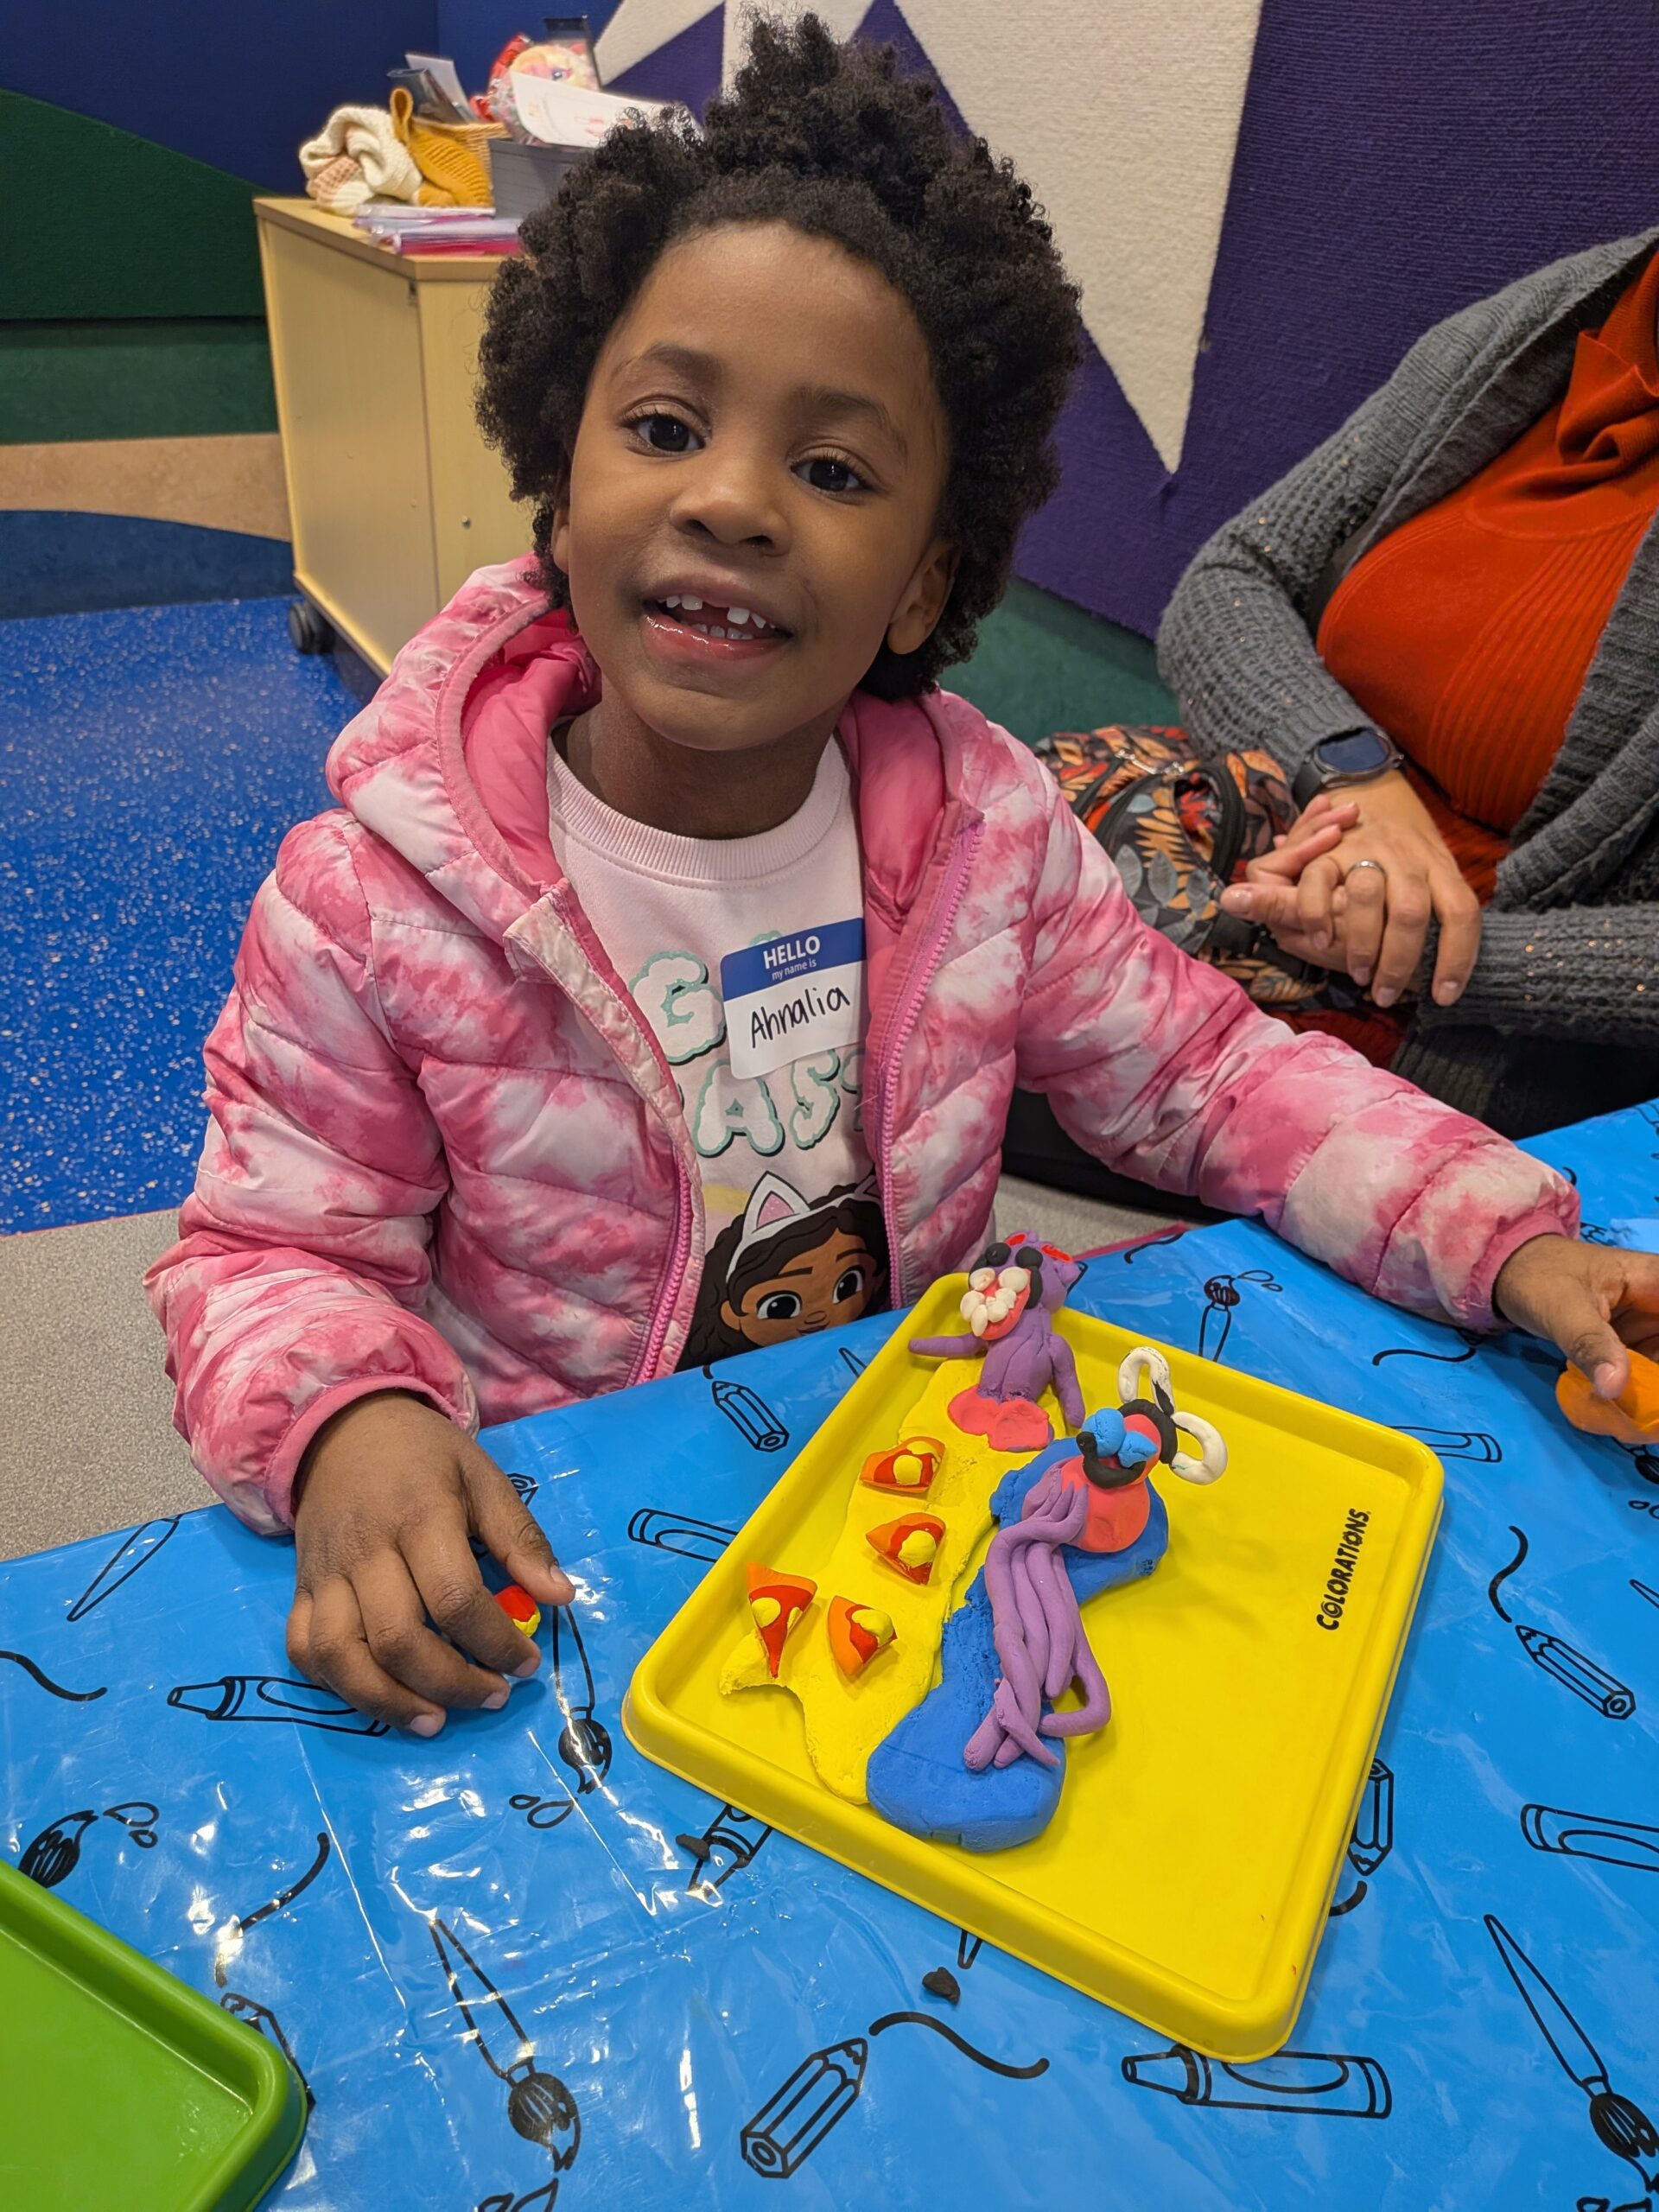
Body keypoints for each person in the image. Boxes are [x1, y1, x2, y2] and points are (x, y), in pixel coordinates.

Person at [148, 21, 1657, 1739]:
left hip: (901, 1508)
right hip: (563, 1563)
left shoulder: (989, 840)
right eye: (661, 424)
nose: (732, 500)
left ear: (928, 581)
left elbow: (1220, 1078)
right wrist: (351, 1421)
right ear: (559, 485)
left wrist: (1509, 1242)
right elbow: (267, 1251)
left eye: (836, 469)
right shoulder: (369, 898)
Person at [1158, 227, 1659, 1137]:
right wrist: (1353, 776)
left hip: (1455, 1061)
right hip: (1245, 863)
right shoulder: (1562, 318)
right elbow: (1229, 579)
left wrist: (1429, 950)